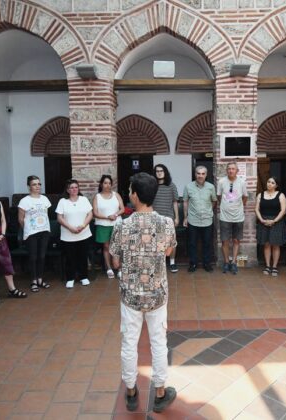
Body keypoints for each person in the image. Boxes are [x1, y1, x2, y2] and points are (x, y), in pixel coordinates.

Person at [109, 172, 177, 413]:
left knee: (129, 343)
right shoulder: (167, 222)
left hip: (130, 296)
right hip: (157, 293)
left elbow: (115, 262)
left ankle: (131, 391)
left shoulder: (122, 225)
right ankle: (160, 392)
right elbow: (169, 252)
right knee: (159, 342)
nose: (128, 194)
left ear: (135, 196)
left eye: (129, 191)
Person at [56, 179, 93, 288]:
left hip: (84, 233)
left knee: (82, 256)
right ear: (67, 190)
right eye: (71, 187)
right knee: (70, 257)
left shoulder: (84, 199)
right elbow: (59, 217)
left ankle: (84, 277)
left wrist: (83, 226)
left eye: (76, 187)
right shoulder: (63, 201)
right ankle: (70, 278)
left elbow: (90, 214)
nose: (74, 189)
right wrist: (70, 227)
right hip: (68, 235)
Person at [18, 175, 52, 293]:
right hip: (31, 233)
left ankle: (40, 279)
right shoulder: (24, 201)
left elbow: (46, 215)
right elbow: (21, 219)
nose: (37, 186)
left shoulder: (45, 199)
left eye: (39, 184)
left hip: (44, 231)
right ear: (29, 187)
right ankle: (33, 281)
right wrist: (28, 229)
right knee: (33, 257)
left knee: (42, 256)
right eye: (34, 184)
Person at [183, 165, 217, 272]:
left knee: (207, 243)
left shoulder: (211, 187)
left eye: (203, 174)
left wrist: (208, 210)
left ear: (206, 175)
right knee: (192, 243)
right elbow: (185, 202)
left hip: (207, 220)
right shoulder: (188, 187)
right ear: (195, 174)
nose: (200, 176)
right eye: (198, 173)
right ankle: (193, 263)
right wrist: (185, 217)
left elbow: (214, 200)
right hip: (193, 220)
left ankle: (207, 263)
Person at [217, 162, 248, 274]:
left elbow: (245, 197)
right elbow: (219, 196)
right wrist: (226, 206)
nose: (231, 170)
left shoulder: (242, 182)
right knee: (225, 241)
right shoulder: (221, 182)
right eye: (229, 168)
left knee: (236, 240)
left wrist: (238, 207)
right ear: (226, 170)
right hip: (224, 217)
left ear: (237, 171)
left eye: (233, 169)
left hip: (238, 217)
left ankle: (234, 262)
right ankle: (226, 262)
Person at [255, 176, 286, 277]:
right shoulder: (260, 195)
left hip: (277, 222)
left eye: (272, 183)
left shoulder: (281, 195)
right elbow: (256, 209)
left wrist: (274, 221)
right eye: (268, 182)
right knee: (267, 244)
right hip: (263, 221)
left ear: (276, 185)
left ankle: (274, 266)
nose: (269, 184)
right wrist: (261, 220)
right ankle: (267, 266)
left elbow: (283, 210)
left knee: (275, 245)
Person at [93, 175, 124, 279]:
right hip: (103, 225)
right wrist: (107, 217)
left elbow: (122, 209)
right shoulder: (97, 197)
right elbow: (95, 213)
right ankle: (109, 268)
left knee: (118, 247)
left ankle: (119, 268)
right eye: (105, 183)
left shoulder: (116, 195)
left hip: (117, 224)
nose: (107, 185)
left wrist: (115, 215)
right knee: (106, 247)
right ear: (101, 184)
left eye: (109, 183)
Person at [152, 164, 180, 273]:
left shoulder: (171, 185)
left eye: (161, 171)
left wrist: (177, 217)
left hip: (169, 217)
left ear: (165, 172)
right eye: (157, 171)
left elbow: (175, 202)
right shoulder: (152, 186)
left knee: (171, 241)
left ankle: (172, 262)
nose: (159, 173)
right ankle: (159, 263)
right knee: (156, 241)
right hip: (155, 218)